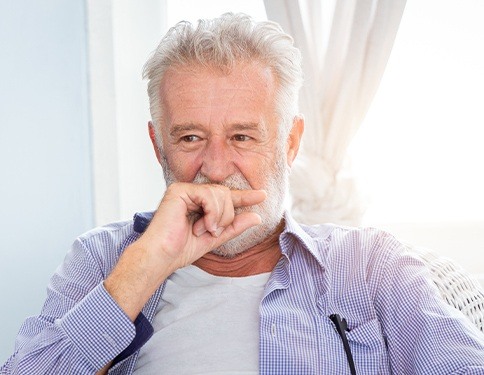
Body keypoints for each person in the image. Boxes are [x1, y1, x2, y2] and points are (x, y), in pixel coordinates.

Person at [2, 12, 484, 375]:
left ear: (290, 143)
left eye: (242, 137)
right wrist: (147, 264)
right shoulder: (103, 259)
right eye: (190, 137)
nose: (214, 168)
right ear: (157, 145)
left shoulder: (372, 264)